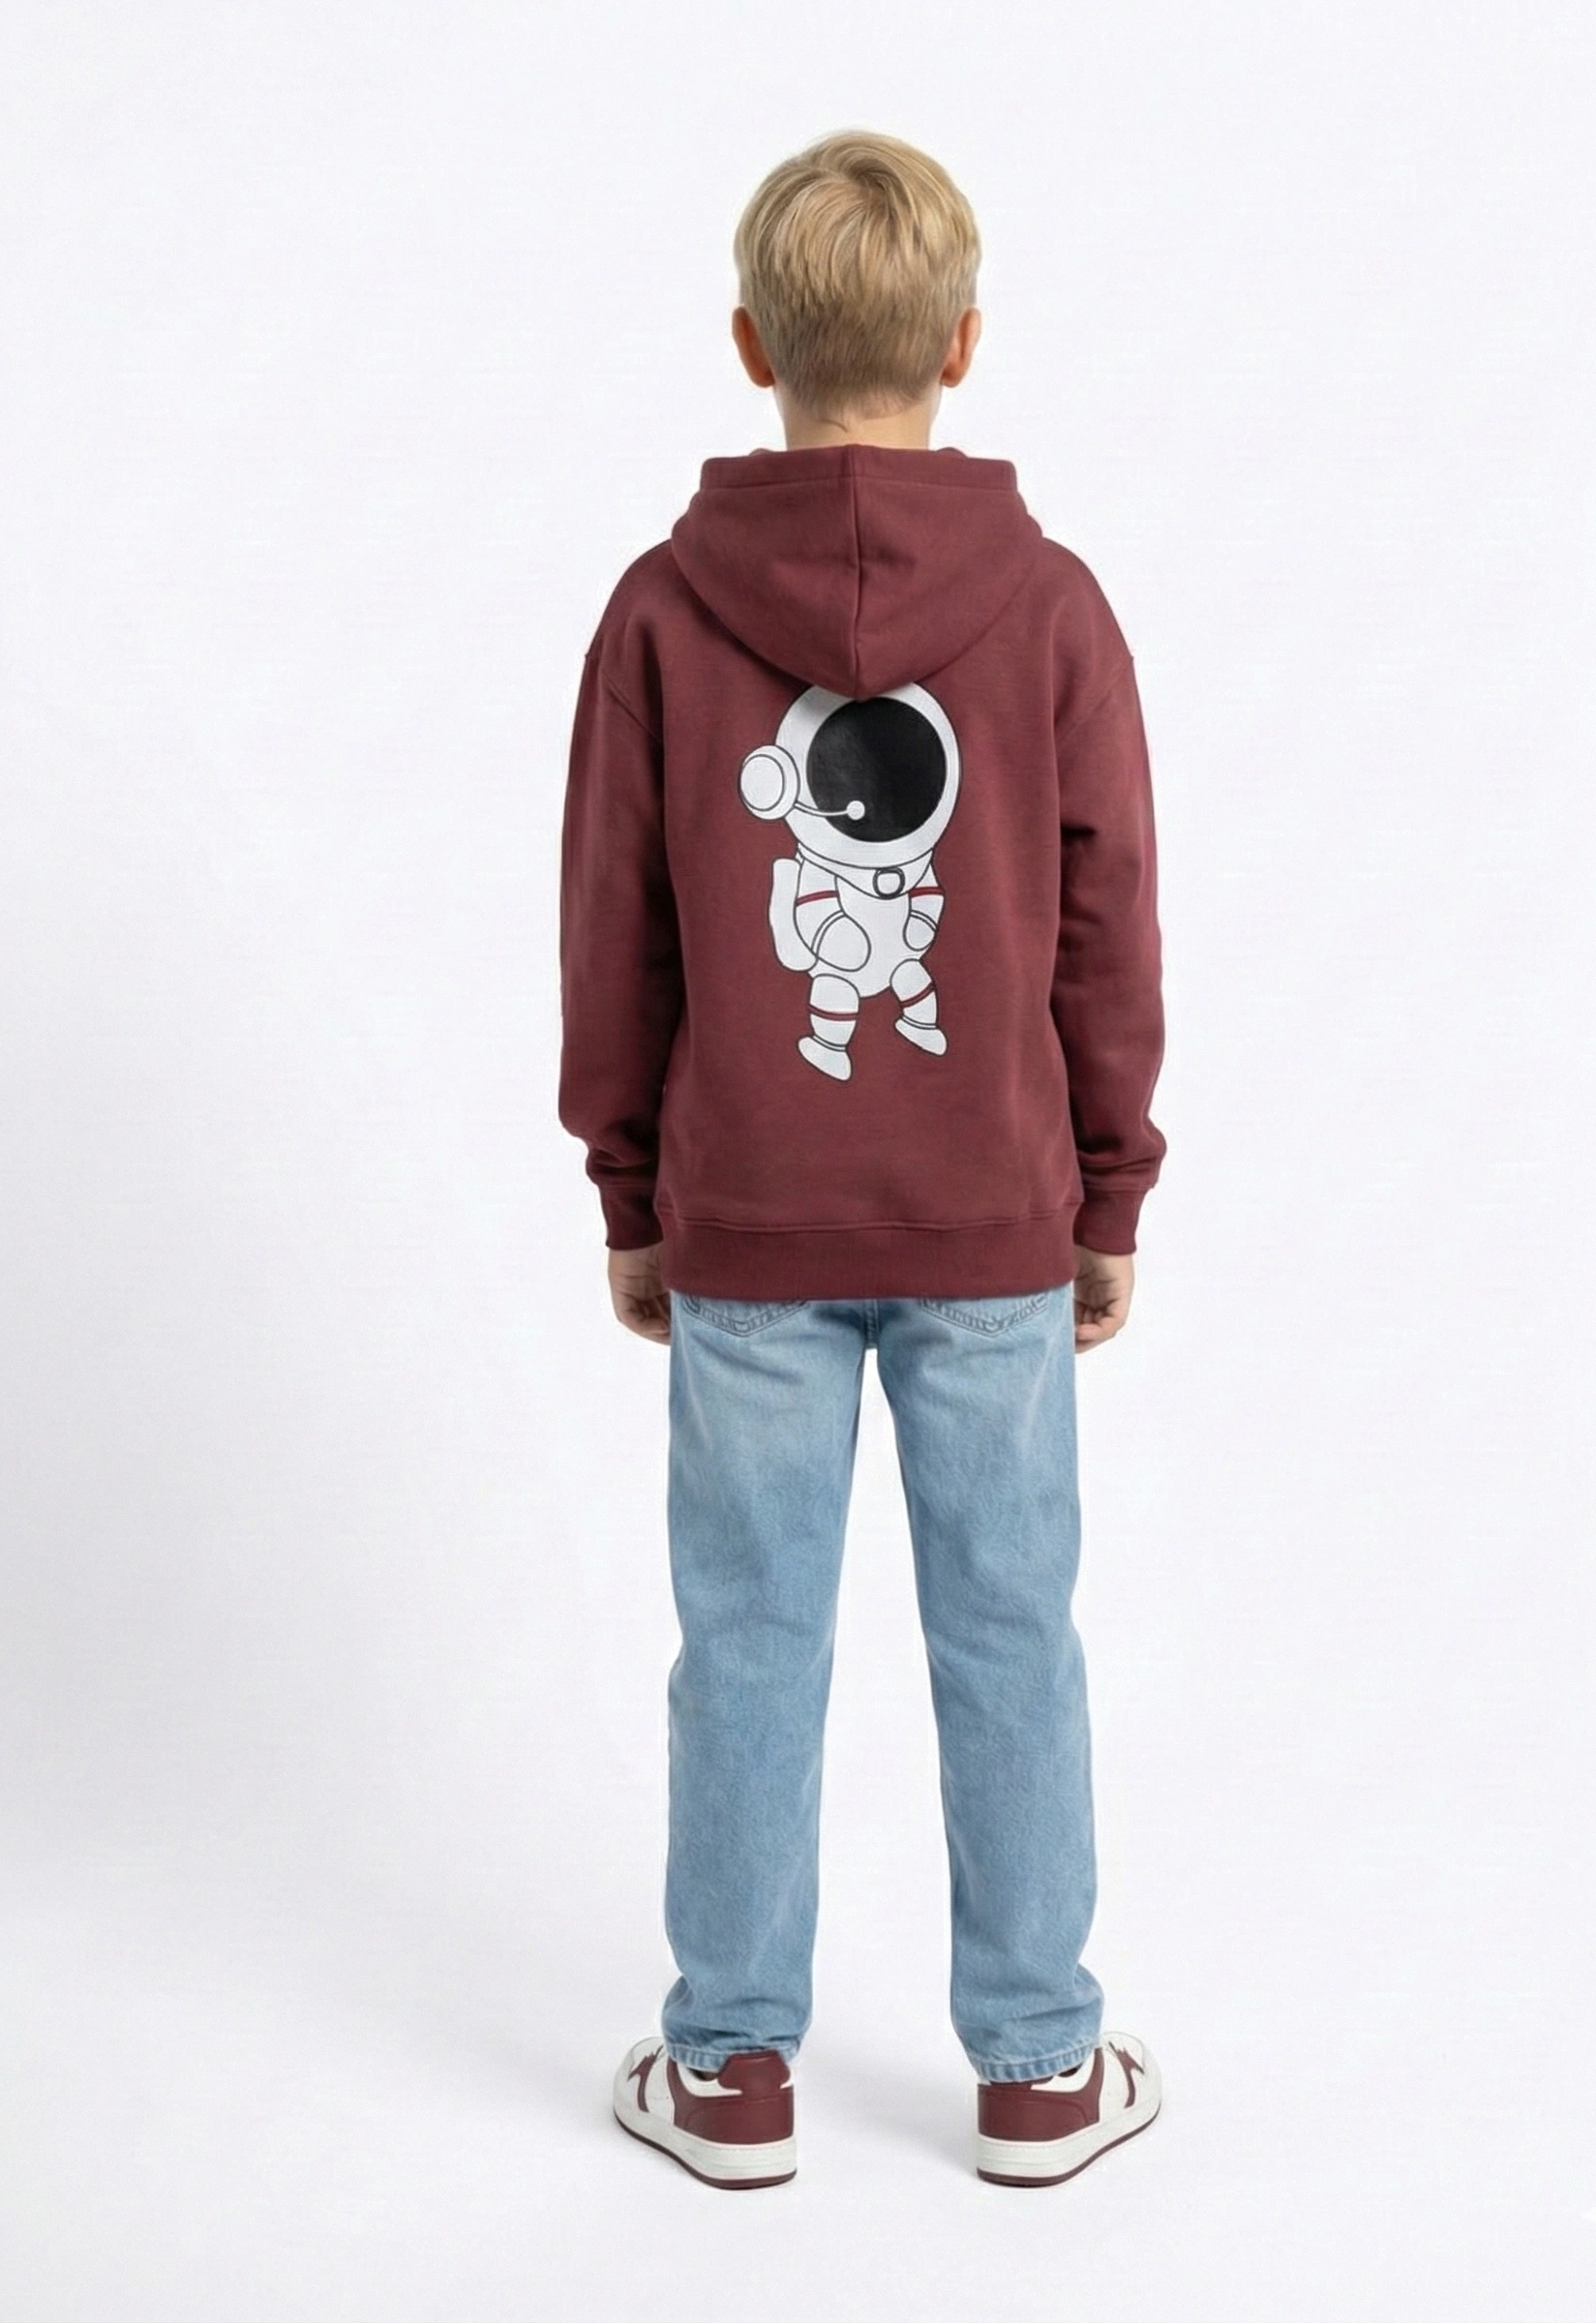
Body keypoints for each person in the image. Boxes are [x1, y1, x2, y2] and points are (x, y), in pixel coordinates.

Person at [557, 128, 1166, 2190]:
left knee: (747, 1641)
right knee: (1010, 1637)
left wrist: (631, 1188)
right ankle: (1040, 2073)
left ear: (750, 345)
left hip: (746, 1222)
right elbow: (1106, 927)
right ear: (964, 344)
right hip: (994, 1221)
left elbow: (616, 928)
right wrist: (1107, 1190)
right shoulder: (1052, 609)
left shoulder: (661, 614)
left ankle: (730, 2073)